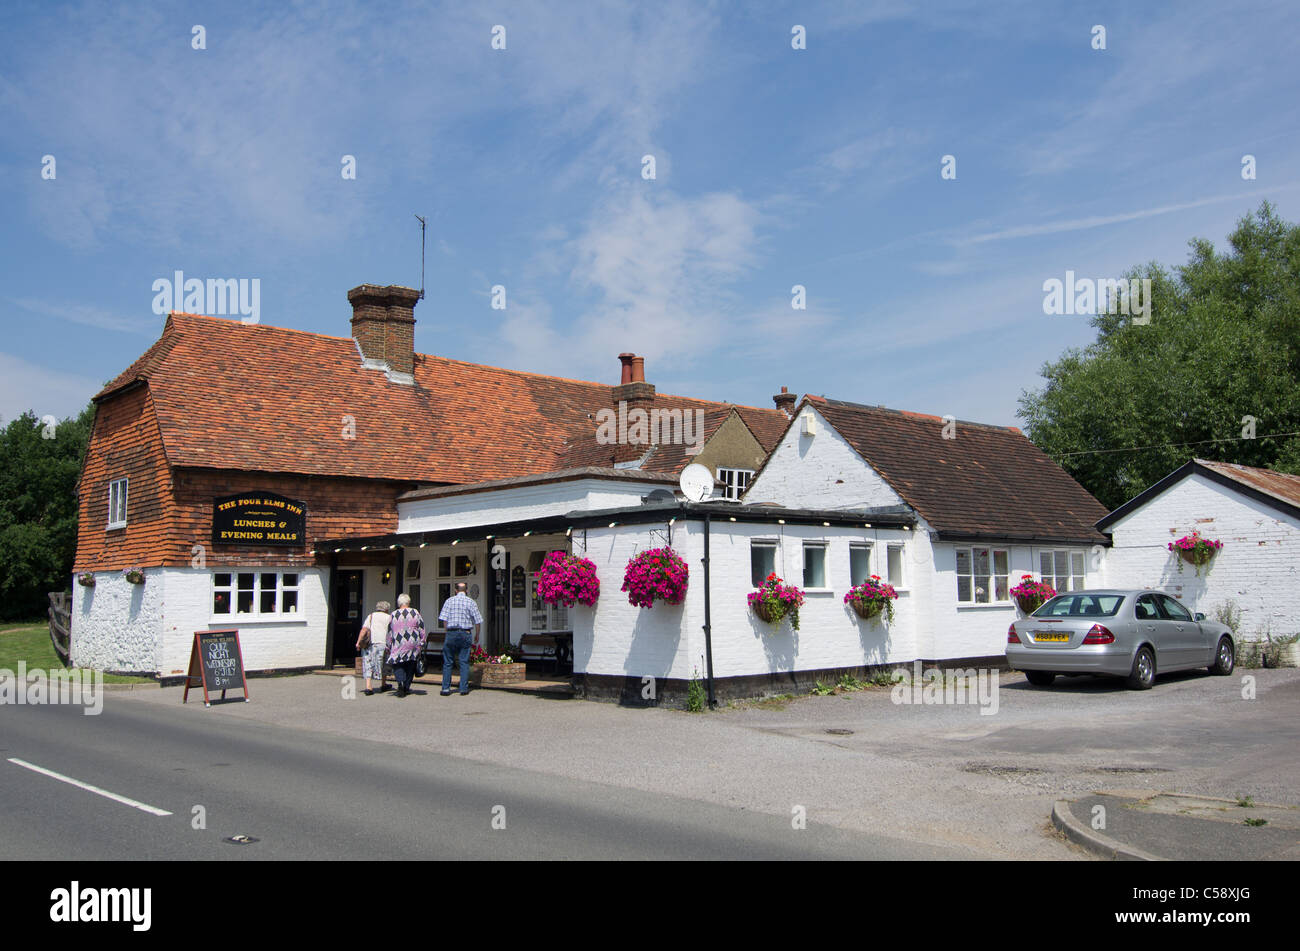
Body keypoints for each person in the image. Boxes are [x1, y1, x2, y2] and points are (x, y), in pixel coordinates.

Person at [439, 581, 483, 696]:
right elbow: (478, 621)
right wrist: (477, 635)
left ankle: (445, 688)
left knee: (448, 661)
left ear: (455, 590)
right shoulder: (471, 602)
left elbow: (444, 619)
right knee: (464, 661)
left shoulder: (449, 601)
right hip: (465, 632)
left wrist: (447, 632)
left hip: (451, 633)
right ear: (467, 590)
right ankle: (463, 688)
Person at [386, 594, 427, 698]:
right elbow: (421, 627)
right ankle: (406, 686)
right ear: (408, 602)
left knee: (397, 662)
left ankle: (400, 683)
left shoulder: (393, 614)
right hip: (412, 641)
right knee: (411, 663)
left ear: (399, 603)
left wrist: (388, 644)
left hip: (399, 641)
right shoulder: (414, 612)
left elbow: (390, 631)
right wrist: (422, 641)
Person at [356, 601, 392, 696]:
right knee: (384, 662)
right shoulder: (389, 617)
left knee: (368, 662)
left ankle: (368, 686)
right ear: (386, 609)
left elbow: (364, 629)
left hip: (371, 643)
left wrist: (358, 642)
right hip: (384, 643)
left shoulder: (371, 616)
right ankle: (383, 684)